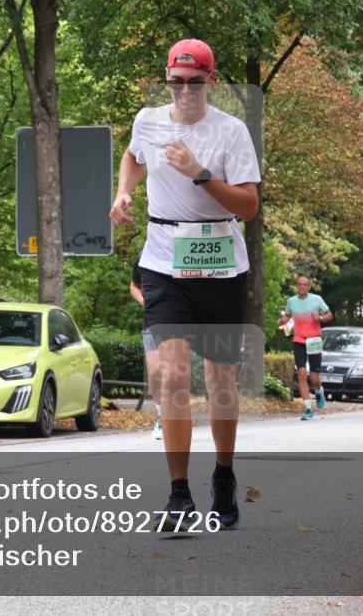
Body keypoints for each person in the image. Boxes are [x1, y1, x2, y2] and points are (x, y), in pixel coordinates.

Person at [110, 39, 260, 532]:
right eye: (177, 82)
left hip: (219, 263)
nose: (185, 91)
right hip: (163, 260)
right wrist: (124, 192)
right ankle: (178, 494)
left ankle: (223, 475)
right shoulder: (147, 119)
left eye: (195, 83)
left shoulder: (231, 131)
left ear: (210, 80)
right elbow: (133, 157)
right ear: (167, 79)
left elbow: (247, 206)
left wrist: (199, 173)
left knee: (220, 383)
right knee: (171, 378)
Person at [277, 275, 332, 420]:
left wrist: (319, 318)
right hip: (299, 340)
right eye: (300, 284)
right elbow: (287, 317)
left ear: (309, 287)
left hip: (314, 340)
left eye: (305, 284)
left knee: (314, 378)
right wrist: (281, 321)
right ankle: (308, 409)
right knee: (301, 374)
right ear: (297, 286)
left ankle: (319, 391)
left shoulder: (317, 299)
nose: (302, 287)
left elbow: (329, 315)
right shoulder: (291, 301)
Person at [130, 256, 162, 441]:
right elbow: (134, 285)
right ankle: (161, 415)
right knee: (155, 372)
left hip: (178, 323)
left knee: (174, 372)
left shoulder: (181, 253)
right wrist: (144, 301)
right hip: (151, 322)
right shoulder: (143, 258)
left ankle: (175, 415)